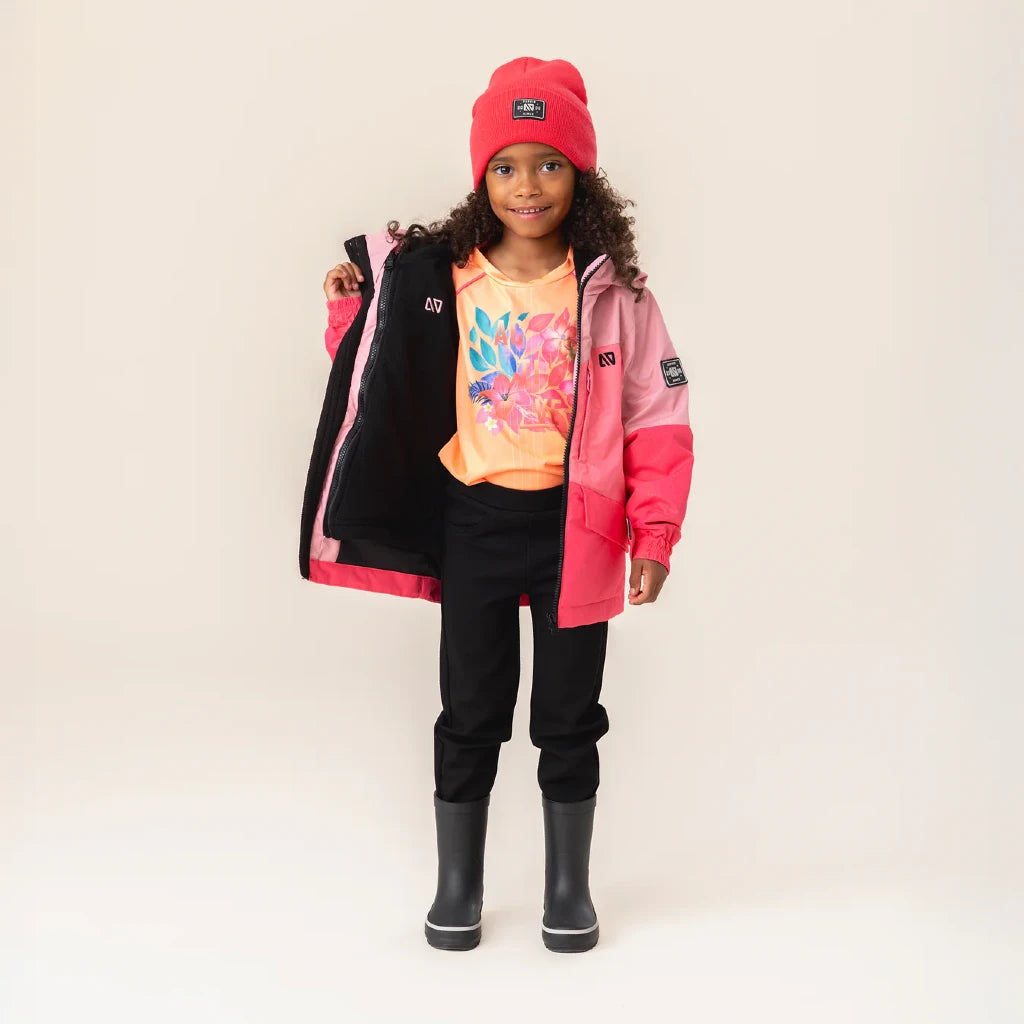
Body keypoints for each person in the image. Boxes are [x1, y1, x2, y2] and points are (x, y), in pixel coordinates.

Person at [300, 56, 695, 953]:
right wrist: (347, 315)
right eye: (507, 166)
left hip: (575, 531)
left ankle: (568, 888)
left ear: (582, 176)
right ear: (482, 177)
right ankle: (459, 885)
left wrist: (655, 533)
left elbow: (658, 416)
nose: (529, 185)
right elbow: (383, 376)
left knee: (569, 714)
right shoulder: (446, 279)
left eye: (551, 163)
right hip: (472, 523)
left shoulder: (617, 295)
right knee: (471, 710)